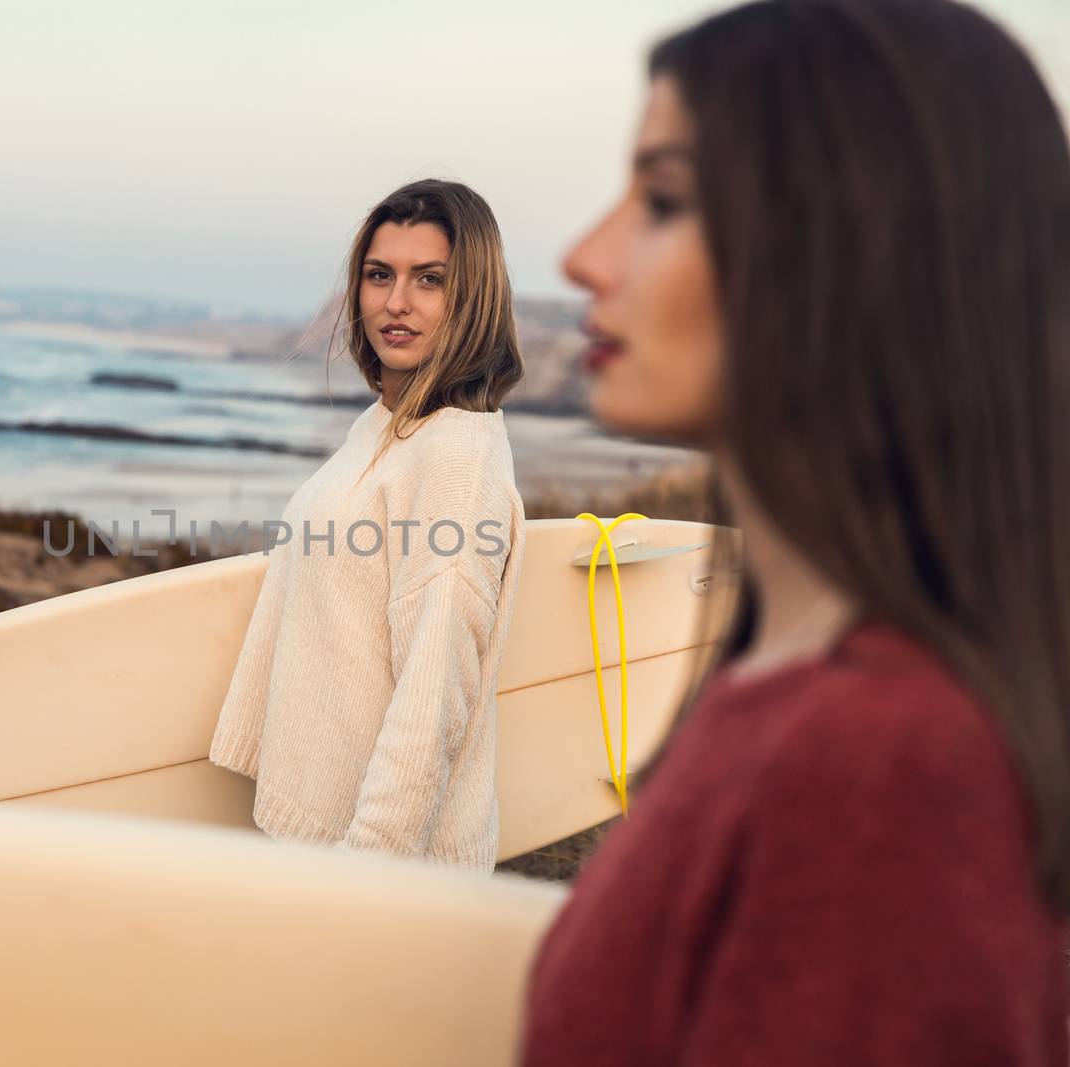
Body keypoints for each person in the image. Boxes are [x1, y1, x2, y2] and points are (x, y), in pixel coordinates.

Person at [518, 0, 1070, 1060]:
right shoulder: (800, 683)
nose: (583, 255)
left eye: (665, 199)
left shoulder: (881, 769)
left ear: (855, 247)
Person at [208, 179, 526, 873]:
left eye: (430, 280)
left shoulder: (456, 458)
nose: (395, 302)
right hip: (323, 838)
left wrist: (367, 870)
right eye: (379, 275)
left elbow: (433, 692)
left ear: (473, 299)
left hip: (380, 866)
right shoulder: (386, 425)